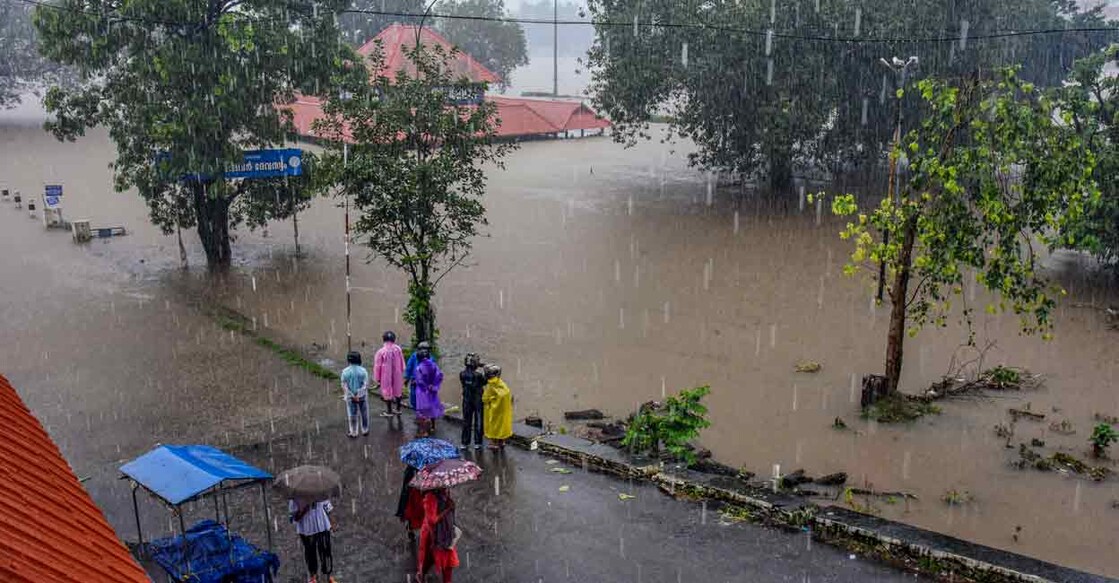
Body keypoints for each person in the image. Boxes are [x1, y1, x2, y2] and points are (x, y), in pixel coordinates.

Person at [417, 488, 459, 583]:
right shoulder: (430, 498)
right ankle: (421, 574)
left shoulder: (445, 494)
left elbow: (450, 512)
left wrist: (452, 506)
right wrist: (448, 509)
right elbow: (433, 520)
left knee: (448, 563)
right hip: (433, 536)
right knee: (428, 559)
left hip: (446, 535)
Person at [289, 498, 335, 583]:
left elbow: (327, 506)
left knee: (326, 551)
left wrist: (332, 521)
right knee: (310, 552)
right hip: (307, 528)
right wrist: (304, 509)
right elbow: (293, 517)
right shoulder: (296, 495)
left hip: (322, 525)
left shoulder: (319, 489)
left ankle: (328, 576)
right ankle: (313, 576)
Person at [413, 342, 444, 437]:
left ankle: (424, 431)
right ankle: (433, 426)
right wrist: (434, 386)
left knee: (423, 412)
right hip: (432, 391)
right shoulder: (433, 365)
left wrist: (418, 384)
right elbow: (439, 375)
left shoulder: (419, 368)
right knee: (432, 408)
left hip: (422, 392)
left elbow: (420, 381)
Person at [374, 331, 406, 418]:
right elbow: (402, 361)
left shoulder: (381, 351)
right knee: (398, 389)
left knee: (387, 390)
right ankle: (398, 409)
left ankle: (389, 411)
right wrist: (402, 369)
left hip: (385, 375)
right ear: (394, 339)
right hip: (397, 373)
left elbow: (378, 366)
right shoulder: (398, 349)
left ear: (383, 339)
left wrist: (377, 378)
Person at [482, 364, 513, 450]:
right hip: (503, 411)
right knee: (502, 426)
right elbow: (507, 395)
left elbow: (485, 398)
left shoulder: (490, 386)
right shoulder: (501, 383)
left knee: (493, 426)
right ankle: (502, 441)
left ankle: (493, 443)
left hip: (493, 410)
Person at [459, 353, 486, 450]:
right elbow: (485, 381)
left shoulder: (462, 374)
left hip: (466, 399)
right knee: (478, 421)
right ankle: (478, 442)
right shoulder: (478, 375)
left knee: (466, 421)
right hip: (477, 399)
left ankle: (464, 442)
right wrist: (484, 367)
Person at [341, 351, 370, 437]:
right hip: (362, 396)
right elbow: (365, 384)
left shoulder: (345, 371)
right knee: (364, 413)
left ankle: (353, 432)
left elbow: (344, 385)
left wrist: (352, 395)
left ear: (348, 360)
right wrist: (359, 394)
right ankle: (365, 429)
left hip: (350, 397)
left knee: (352, 414)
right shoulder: (363, 371)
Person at [395, 464, 424, 546]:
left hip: (414, 492)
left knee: (415, 509)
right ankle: (411, 528)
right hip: (414, 493)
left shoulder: (411, 468)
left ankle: (412, 528)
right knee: (414, 509)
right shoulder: (413, 470)